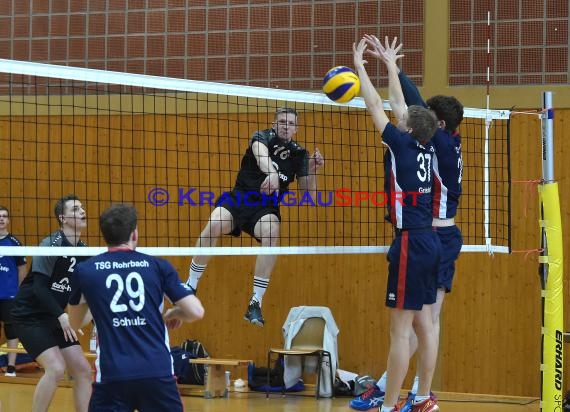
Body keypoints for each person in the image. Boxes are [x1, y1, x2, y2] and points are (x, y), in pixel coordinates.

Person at [349, 35, 464, 412]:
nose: (397, 117)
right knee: (426, 326)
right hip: (431, 240)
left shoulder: (400, 144)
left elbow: (375, 104)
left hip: (412, 243)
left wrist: (362, 67)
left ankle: (388, 404)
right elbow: (400, 104)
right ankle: (423, 397)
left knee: (400, 332)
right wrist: (391, 66)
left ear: (408, 129)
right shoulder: (432, 146)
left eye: (401, 121)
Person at [186, 107, 324, 326]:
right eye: (281, 122)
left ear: (296, 129)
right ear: (274, 124)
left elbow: (310, 196)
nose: (285, 126)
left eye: (290, 123)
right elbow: (261, 157)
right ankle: (191, 284)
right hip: (239, 199)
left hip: (265, 208)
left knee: (272, 234)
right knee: (214, 223)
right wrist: (271, 173)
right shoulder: (261, 137)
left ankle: (255, 303)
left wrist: (313, 171)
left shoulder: (300, 155)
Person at [68, 204, 204, 412]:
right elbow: (196, 312)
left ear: (105, 235)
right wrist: (174, 313)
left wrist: (100, 307)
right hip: (156, 371)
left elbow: (75, 323)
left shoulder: (85, 271)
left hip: (113, 375)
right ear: (134, 233)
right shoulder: (158, 267)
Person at [10, 194, 92, 412]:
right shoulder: (51, 244)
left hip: (54, 317)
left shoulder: (84, 251)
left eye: (82, 207)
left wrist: (93, 321)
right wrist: (62, 315)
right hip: (28, 316)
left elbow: (84, 294)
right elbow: (38, 288)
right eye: (75, 209)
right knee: (56, 368)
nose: (83, 211)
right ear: (63, 218)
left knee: (83, 370)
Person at [0, 206, 27, 377]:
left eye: (4, 216)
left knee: (11, 330)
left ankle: (11, 366)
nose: (1, 219)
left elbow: (22, 269)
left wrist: (18, 292)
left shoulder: (14, 242)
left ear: (8, 220)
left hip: (9, 294)